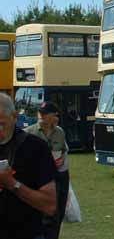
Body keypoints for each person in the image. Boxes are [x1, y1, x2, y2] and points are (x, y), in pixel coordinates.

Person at [0, 92, 57, 239]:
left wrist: (12, 184)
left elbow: (49, 205)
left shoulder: (35, 148)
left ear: (14, 116)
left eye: (1, 124)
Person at [26, 101, 70, 239]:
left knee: (57, 214)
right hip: (37, 179)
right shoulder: (28, 133)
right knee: (40, 213)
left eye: (45, 114)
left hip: (59, 177)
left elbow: (63, 151)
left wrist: (61, 159)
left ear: (54, 116)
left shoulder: (60, 133)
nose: (41, 116)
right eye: (40, 113)